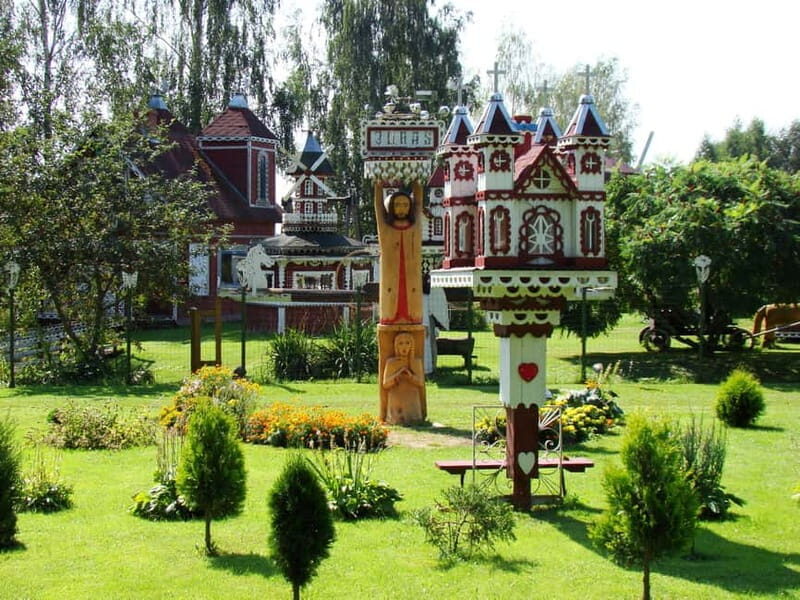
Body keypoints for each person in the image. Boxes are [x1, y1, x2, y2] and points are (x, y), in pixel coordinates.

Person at [375, 187, 423, 325]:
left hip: (412, 286)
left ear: (410, 207)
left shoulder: (415, 226)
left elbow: (419, 202)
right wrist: (378, 184)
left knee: (413, 314)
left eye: (405, 204)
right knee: (389, 314)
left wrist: (418, 180)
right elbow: (378, 206)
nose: (401, 208)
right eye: (397, 205)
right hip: (390, 286)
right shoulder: (385, 228)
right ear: (390, 207)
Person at [381, 332, 424, 424]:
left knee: (414, 418)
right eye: (401, 343)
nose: (404, 347)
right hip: (396, 399)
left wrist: (410, 376)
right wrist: (397, 375)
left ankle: (415, 420)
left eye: (407, 343)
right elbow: (385, 384)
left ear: (412, 346)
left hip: (412, 398)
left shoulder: (416, 362)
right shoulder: (391, 363)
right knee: (396, 416)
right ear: (396, 346)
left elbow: (421, 383)